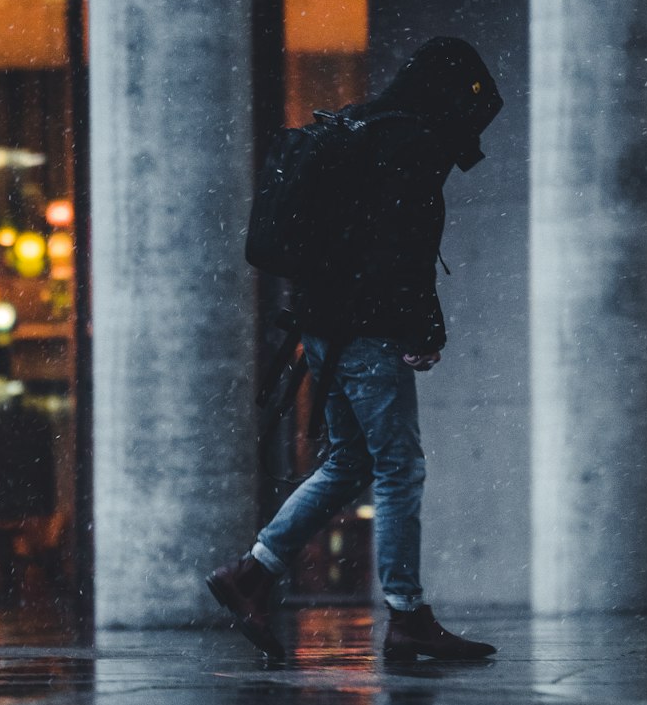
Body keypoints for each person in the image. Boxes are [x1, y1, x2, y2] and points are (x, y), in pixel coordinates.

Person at [208, 36, 503, 662]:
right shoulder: (411, 142)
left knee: (347, 463)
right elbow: (405, 251)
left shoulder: (359, 122)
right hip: (367, 331)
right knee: (399, 467)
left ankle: (253, 573)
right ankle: (405, 615)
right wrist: (424, 334)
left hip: (322, 324)